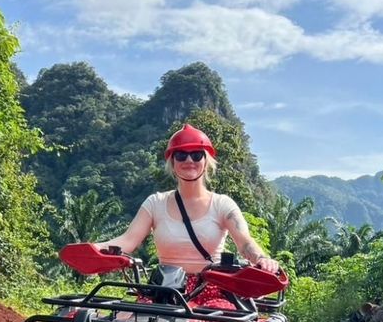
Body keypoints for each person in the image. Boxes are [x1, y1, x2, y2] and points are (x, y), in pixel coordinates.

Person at [96, 124, 279, 305]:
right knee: (130, 318)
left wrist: (261, 258)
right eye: (181, 155)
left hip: (211, 290)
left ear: (206, 161)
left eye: (197, 154)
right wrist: (95, 248)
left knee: (210, 321)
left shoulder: (222, 204)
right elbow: (128, 240)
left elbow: (245, 242)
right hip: (165, 289)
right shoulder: (155, 203)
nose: (189, 160)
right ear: (172, 162)